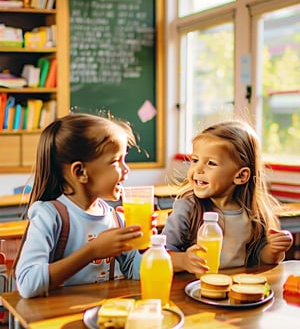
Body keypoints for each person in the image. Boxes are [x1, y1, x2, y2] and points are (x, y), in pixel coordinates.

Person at [16, 113, 144, 298]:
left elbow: (135, 271)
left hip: (102, 317)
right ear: (80, 171)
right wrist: (93, 251)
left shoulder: (116, 218)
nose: (127, 169)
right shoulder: (50, 216)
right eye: (116, 161)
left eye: (125, 159)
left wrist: (148, 245)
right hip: (56, 322)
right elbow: (27, 284)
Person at [162, 119, 293, 275]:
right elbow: (162, 253)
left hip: (237, 290)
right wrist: (183, 260)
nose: (198, 169)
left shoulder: (253, 213)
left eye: (211, 163)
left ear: (241, 176)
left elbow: (260, 258)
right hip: (194, 290)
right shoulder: (187, 207)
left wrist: (273, 249)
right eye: (195, 160)